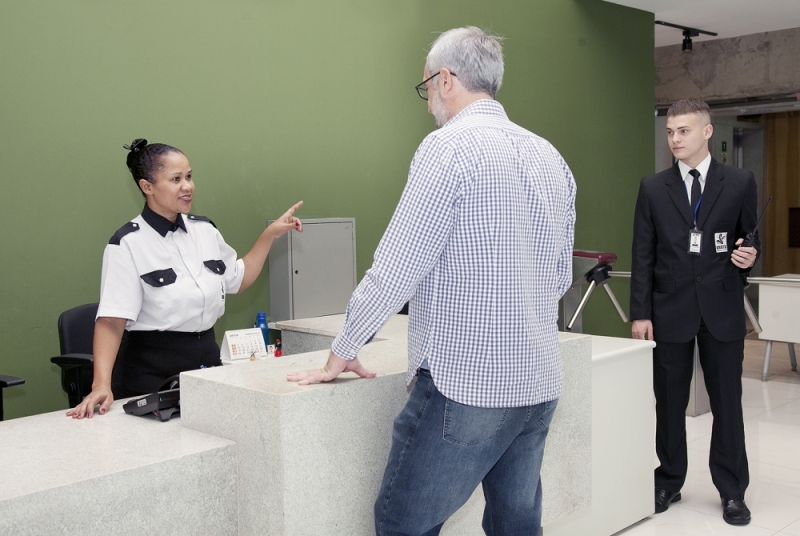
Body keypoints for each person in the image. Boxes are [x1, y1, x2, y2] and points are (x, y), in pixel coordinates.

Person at [287, 27, 576, 535]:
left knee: (403, 524)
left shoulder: (446, 149)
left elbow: (397, 267)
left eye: (426, 89)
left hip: (468, 385)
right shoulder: (550, 156)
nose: (428, 105)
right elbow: (557, 275)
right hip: (538, 379)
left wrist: (345, 347)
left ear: (446, 80)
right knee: (516, 525)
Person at [67, 139, 303, 419]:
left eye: (189, 177)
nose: (187, 186)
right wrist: (101, 384)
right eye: (176, 179)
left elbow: (238, 279)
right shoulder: (128, 243)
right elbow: (111, 320)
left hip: (206, 363)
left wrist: (270, 235)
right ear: (147, 186)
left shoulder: (204, 230)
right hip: (150, 372)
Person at [630, 99, 759, 525]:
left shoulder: (740, 182)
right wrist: (640, 312)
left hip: (721, 308)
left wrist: (748, 257)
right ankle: (668, 480)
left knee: (728, 403)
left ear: (707, 132)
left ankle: (732, 491)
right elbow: (643, 253)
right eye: (670, 132)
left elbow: (748, 239)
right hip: (669, 310)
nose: (674, 139)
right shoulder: (653, 187)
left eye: (683, 131)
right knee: (668, 402)